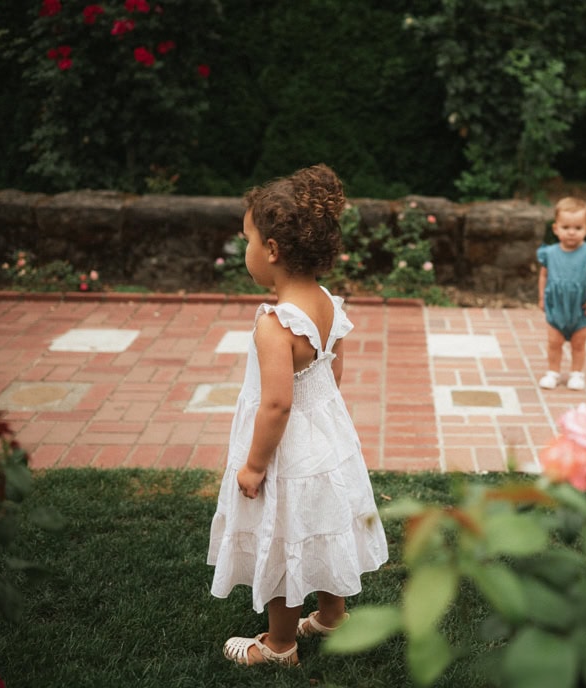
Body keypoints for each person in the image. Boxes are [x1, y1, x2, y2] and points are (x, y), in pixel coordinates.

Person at [207, 164, 388, 667]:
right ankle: (331, 615)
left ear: (272, 250)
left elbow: (276, 403)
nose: (245, 250)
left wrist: (255, 465)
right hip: (326, 436)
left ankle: (279, 644)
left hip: (284, 447)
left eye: (247, 239)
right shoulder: (328, 303)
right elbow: (334, 371)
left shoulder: (274, 323)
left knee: (284, 532)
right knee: (320, 522)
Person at [536, 197, 586, 391]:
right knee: (554, 342)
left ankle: (576, 373)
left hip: (581, 307)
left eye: (578, 228)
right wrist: (542, 297)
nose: (572, 232)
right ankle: (553, 372)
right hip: (557, 307)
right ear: (556, 228)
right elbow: (544, 275)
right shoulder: (549, 253)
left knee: (578, 343)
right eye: (566, 227)